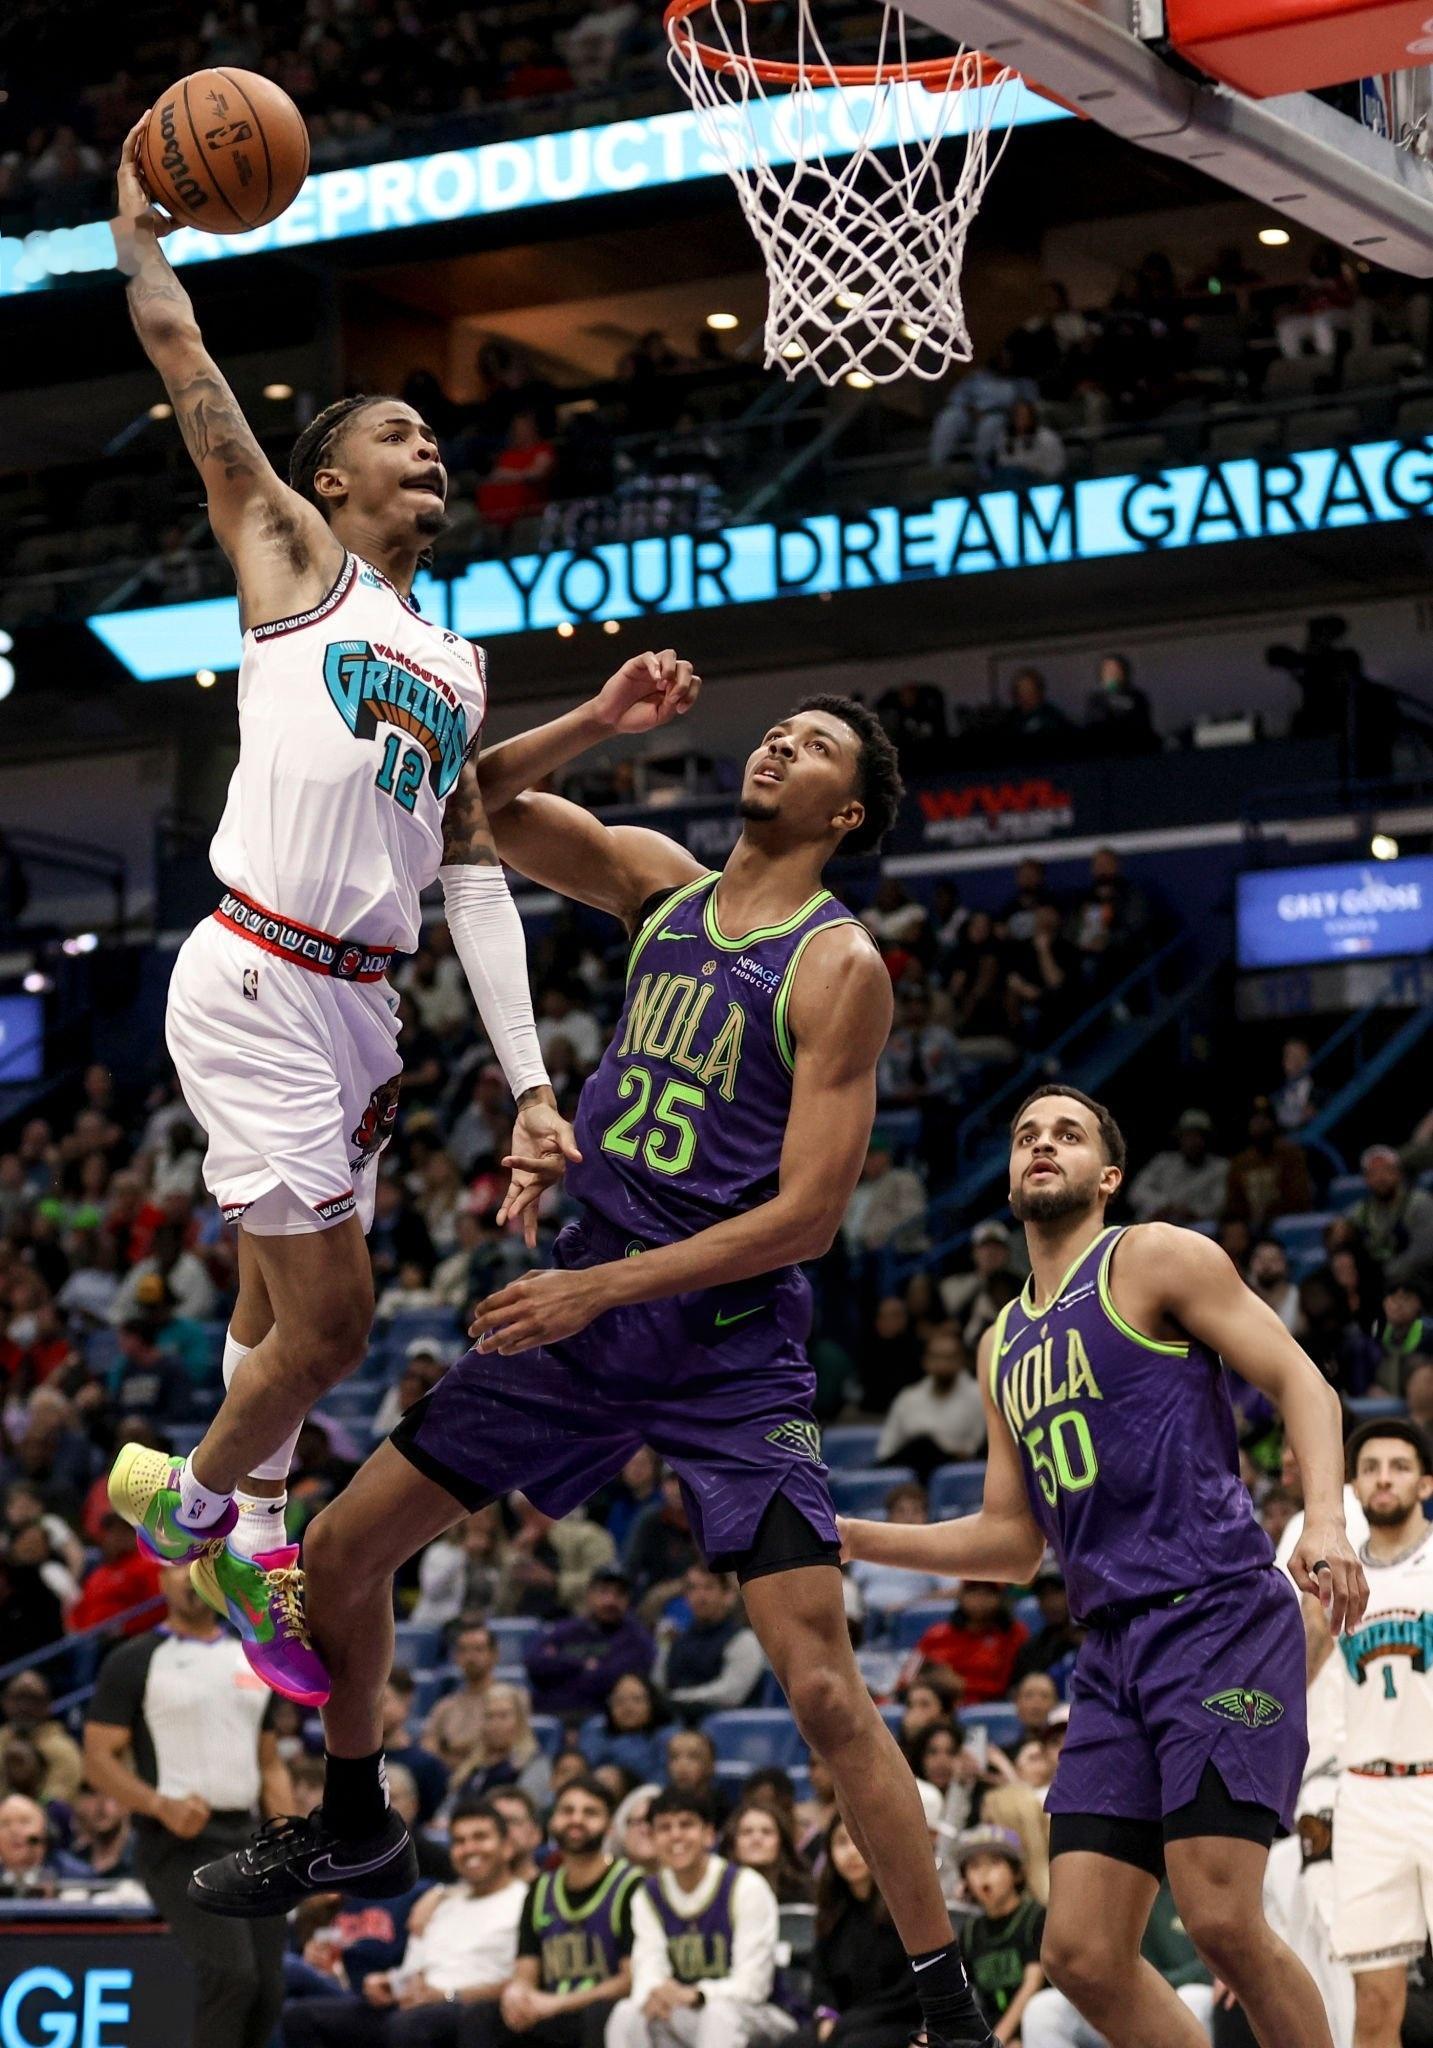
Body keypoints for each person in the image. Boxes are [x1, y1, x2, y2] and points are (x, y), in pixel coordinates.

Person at [191, 698, 998, 2048]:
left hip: (724, 1347)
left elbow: (806, 1216)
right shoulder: (660, 890)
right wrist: (608, 713)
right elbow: (478, 806)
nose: (776, 746)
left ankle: (945, 1995)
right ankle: (355, 1821)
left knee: (815, 1684)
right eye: (776, 730)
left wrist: (598, 1286)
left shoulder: (838, 964)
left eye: (811, 749)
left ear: (845, 816)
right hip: (579, 1308)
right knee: (336, 1555)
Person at [108, 127, 701, 1700]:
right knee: (331, 1330)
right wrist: (138, 226)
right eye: (399, 432)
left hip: (363, 1004)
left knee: (267, 1305)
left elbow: (468, 841)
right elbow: (187, 368)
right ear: (329, 478)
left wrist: (527, 1085)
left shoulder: (448, 659)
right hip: (257, 968)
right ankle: (192, 1509)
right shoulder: (288, 555)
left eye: (435, 438)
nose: (428, 449)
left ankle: (257, 1531)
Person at [841, 1082, 1365, 2048]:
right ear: (1008, 1175)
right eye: (1025, 1135)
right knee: (1079, 1952)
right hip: (1112, 1649)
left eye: (1067, 1134)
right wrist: (855, 1537)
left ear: (1107, 1175)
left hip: (1215, 1616)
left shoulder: (1153, 1255)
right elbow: (1009, 1539)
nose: (1042, 1145)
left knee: (1218, 1917)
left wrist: (1324, 1521)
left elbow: (1303, 1379)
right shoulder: (1001, 1339)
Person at [83, 1563, 293, 2048]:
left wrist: (289, 1840)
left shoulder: (252, 1656)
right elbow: (97, 1762)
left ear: (216, 1578)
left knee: (268, 1988)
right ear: (160, 1580)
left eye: (197, 1568)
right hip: (177, 1842)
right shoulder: (134, 1659)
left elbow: (271, 1765)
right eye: (175, 1568)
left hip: (250, 1841)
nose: (186, 1579)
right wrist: (159, 1805)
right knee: (231, 1976)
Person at [1303, 1419, 1433, 2048]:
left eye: (1400, 1465)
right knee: (1374, 2000)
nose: (1385, 1477)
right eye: (1372, 1466)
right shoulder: (1337, 1577)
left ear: (1425, 1481)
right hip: (1366, 1798)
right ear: (1352, 1485)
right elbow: (1295, 1679)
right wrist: (1311, 1605)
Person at [282, 1799, 526, 2044]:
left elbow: (522, 1983)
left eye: (480, 1837)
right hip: (413, 2007)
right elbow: (415, 1970)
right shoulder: (440, 1903)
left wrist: (447, 1996)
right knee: (301, 2017)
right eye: (459, 1841)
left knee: (408, 2026)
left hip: (471, 2010)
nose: (469, 1848)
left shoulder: (524, 1901)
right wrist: (389, 1984)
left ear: (507, 1847)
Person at [606, 1786, 796, 2048]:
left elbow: (753, 1986)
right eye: (664, 1827)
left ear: (708, 1834)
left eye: (686, 1825)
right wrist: (657, 1994)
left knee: (718, 2016)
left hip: (765, 2015)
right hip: (689, 2012)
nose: (676, 1836)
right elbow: (648, 1969)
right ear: (653, 1837)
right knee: (626, 2014)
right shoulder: (647, 1895)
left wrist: (696, 1994)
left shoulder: (745, 1887)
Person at [471, 1775, 642, 2047]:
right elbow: (526, 1969)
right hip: (549, 2009)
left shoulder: (632, 1885)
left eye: (590, 1812)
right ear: (552, 1822)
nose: (576, 1819)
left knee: (598, 2016)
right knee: (480, 2016)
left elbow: (630, 1980)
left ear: (609, 1826)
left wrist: (557, 2003)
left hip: (601, 2010)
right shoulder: (540, 1888)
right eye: (567, 1810)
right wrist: (518, 1993)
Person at [788, 1815, 920, 2048]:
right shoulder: (831, 1911)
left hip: (899, 2022)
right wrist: (826, 2016)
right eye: (841, 1842)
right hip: (844, 2024)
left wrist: (847, 2023)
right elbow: (821, 1980)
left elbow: (909, 1992)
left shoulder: (905, 1908)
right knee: (792, 2043)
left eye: (860, 1841)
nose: (851, 1852)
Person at [953, 1827, 1046, 2042]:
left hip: (1032, 2026)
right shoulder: (970, 1932)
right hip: (989, 2026)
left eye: (995, 1863)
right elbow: (961, 1992)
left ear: (1017, 1872)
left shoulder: (1035, 1917)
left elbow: (1032, 1984)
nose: (984, 1875)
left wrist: (999, 2039)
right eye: (974, 1866)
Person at [525, 1567, 654, 1717]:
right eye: (603, 1592)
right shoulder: (566, 1629)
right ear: (589, 1595)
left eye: (619, 1594)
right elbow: (534, 1663)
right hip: (549, 1713)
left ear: (627, 1600)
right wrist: (580, 1664)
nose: (610, 1601)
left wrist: (558, 1667)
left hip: (602, 1719)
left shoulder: (636, 1638)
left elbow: (607, 1682)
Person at [875, 1324, 986, 1479]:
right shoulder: (908, 1397)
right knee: (921, 1446)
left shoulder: (979, 1396)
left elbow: (976, 1450)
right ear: (925, 1361)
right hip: (909, 1472)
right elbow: (886, 1452)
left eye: (949, 1357)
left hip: (955, 1474)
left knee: (926, 1447)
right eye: (936, 1357)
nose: (942, 1364)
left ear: (962, 1360)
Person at [656, 1565, 766, 1714]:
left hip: (727, 1727)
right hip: (678, 1723)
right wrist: (663, 1647)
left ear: (728, 1595)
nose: (700, 1596)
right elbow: (659, 1684)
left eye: (708, 1587)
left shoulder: (744, 1640)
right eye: (693, 1588)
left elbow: (731, 1694)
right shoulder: (677, 1640)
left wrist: (678, 1698)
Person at [905, 1584, 1029, 1705]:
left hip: (989, 1705)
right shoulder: (935, 1634)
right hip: (939, 1706)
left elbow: (1011, 1684)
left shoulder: (1013, 1634)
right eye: (973, 1592)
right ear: (962, 1595)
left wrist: (959, 1684)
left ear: (999, 1597)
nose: (980, 1599)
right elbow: (907, 1677)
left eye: (987, 1593)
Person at [449, 1684, 553, 1810]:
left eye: (503, 1716)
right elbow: (448, 1809)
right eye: (489, 1716)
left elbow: (524, 1811)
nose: (495, 1724)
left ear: (519, 1721)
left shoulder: (534, 1763)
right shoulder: (470, 1768)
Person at [1223, 1098, 1315, 1234]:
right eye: (1255, 1120)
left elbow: (1301, 1198)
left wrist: (1274, 1211)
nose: (1260, 1124)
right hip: (1250, 1229)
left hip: (1288, 1227)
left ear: (1273, 1122)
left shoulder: (1291, 1155)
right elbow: (1234, 1204)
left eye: (1265, 1119)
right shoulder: (1240, 1162)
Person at [421, 1618, 500, 1772]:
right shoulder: (445, 1706)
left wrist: (455, 1750)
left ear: (494, 1655)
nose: (470, 1657)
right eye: (463, 1650)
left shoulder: (508, 1701)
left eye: (478, 1649)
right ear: (456, 1657)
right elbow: (428, 1748)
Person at [1126, 1111, 1228, 1227]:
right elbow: (1135, 1193)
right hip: (1159, 1224)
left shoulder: (1220, 1167)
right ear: (1180, 1137)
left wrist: (1191, 1211)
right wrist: (1165, 1205)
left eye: (1199, 1136)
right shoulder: (1163, 1162)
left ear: (1208, 1139)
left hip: (1196, 1228)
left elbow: (1219, 1206)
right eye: (1188, 1135)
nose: (1193, 1142)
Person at [581, 1673, 670, 1784]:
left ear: (652, 1702)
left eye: (637, 1699)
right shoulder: (597, 1732)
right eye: (619, 1701)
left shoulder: (666, 1736)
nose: (628, 1707)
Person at [724, 1799, 813, 1905]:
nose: (756, 1839)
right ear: (733, 1842)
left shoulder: (805, 1892)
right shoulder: (718, 1891)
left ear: (782, 1842)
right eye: (747, 1832)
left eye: (766, 1832)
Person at [1082, 656, 1156, 756]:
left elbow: (1143, 724)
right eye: (1108, 671)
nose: (1113, 675)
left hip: (1135, 749)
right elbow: (1094, 725)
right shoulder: (1096, 698)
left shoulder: (1137, 696)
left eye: (1117, 671)